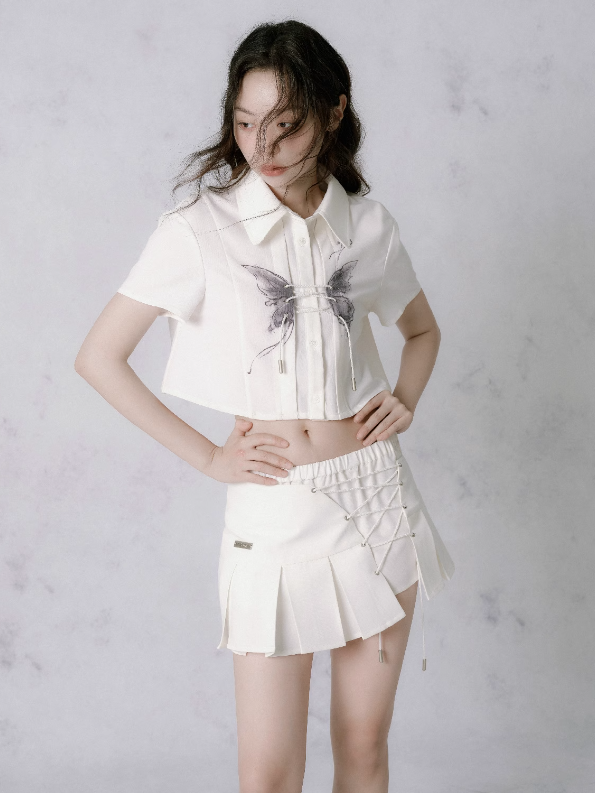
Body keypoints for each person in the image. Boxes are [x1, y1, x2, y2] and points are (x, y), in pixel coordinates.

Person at [75, 19, 455, 793]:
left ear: (333, 112)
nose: (263, 146)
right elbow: (98, 357)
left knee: (363, 746)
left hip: (377, 499)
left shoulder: (366, 224)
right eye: (246, 124)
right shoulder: (199, 230)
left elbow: (421, 330)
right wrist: (210, 457)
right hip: (275, 510)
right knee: (269, 773)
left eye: (285, 125)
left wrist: (404, 399)